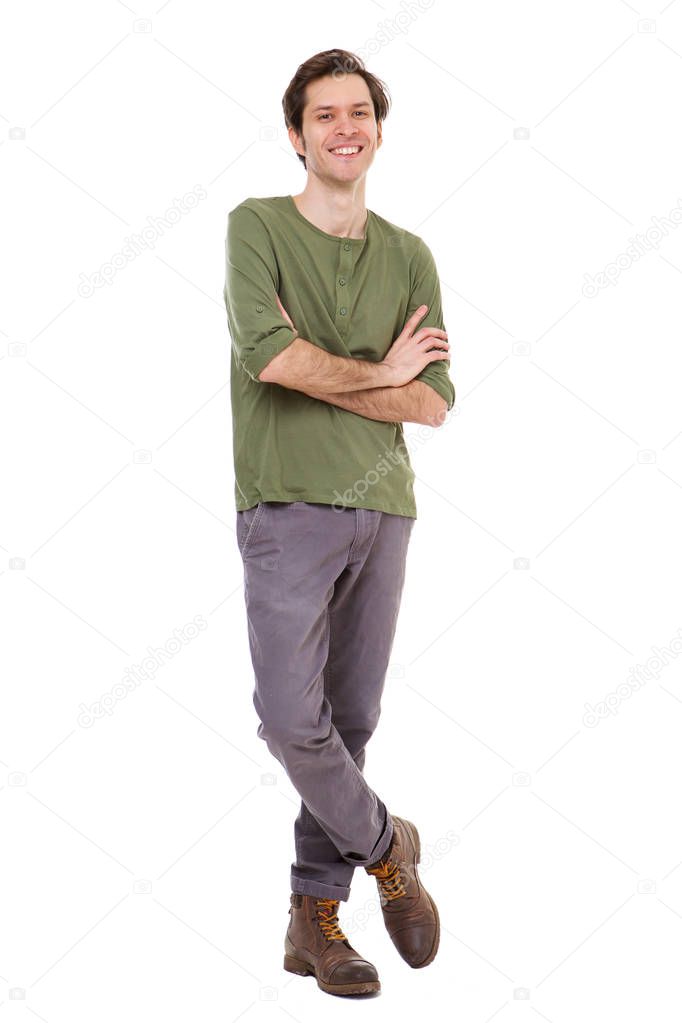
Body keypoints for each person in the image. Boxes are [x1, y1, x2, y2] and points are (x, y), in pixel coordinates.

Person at [223, 47, 455, 997]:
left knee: (348, 723)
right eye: (325, 115)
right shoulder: (257, 228)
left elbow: (436, 402)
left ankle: (314, 920)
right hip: (285, 503)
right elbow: (272, 359)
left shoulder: (409, 253)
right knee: (290, 718)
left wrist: (354, 372)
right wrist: (381, 374)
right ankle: (385, 846)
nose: (345, 127)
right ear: (297, 134)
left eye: (359, 111)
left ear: (379, 129)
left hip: (385, 510)